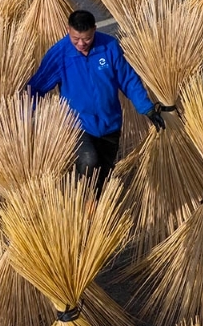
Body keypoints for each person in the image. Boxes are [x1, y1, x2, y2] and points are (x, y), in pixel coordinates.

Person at [27, 10, 165, 192]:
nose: (81, 44)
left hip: (110, 123)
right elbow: (37, 86)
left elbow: (128, 80)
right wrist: (24, 116)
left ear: (94, 29)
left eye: (87, 38)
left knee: (103, 174)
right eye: (76, 38)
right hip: (77, 124)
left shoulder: (109, 47)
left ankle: (94, 208)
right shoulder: (60, 54)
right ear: (68, 30)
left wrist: (147, 108)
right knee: (88, 161)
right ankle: (77, 202)